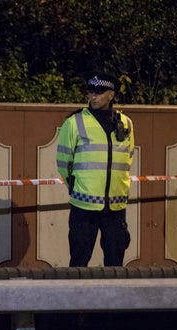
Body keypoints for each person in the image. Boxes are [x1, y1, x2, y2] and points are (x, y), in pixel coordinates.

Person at [56, 72, 135, 267]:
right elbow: (63, 163)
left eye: (99, 93)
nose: (93, 97)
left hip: (116, 207)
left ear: (111, 94)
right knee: (79, 261)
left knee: (115, 262)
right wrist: (76, 188)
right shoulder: (74, 122)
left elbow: (128, 159)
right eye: (91, 92)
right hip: (84, 206)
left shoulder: (126, 123)